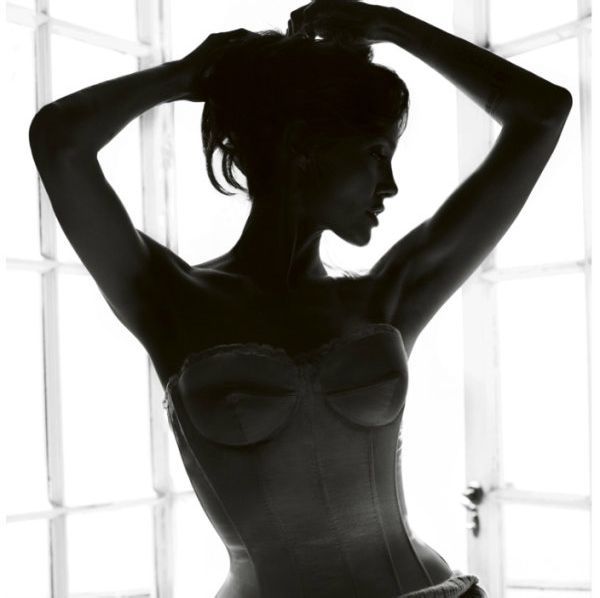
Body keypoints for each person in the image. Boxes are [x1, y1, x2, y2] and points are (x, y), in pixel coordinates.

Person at [28, 1, 572, 596]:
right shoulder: (172, 299)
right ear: (303, 145)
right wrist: (186, 75)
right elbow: (59, 142)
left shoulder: (387, 299)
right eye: (375, 153)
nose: (390, 185)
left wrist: (392, 25)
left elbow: (542, 113)